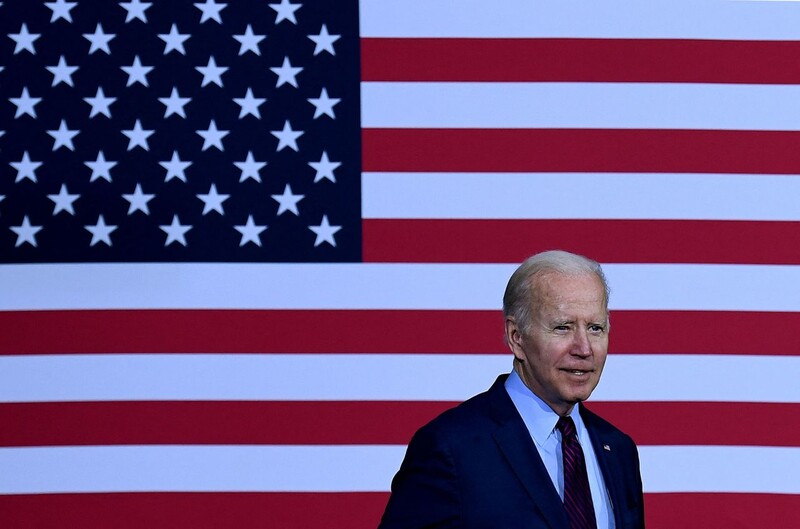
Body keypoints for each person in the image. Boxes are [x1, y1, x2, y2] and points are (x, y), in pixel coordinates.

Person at [377, 250, 645, 529]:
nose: (584, 348)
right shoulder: (451, 448)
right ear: (516, 338)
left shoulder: (618, 448)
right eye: (562, 328)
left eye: (595, 328)